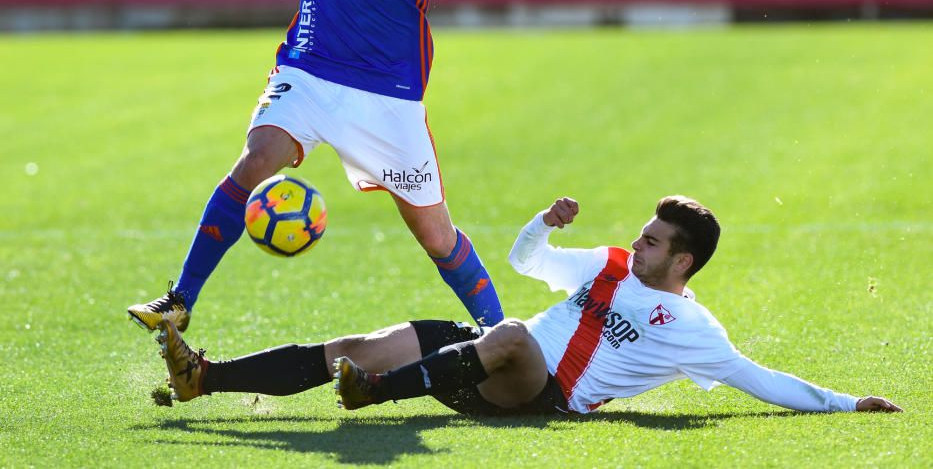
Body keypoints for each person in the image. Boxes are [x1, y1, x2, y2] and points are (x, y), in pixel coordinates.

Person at [128, 0, 503, 334]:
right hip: (309, 69)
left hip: (386, 94)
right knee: (254, 161)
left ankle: (506, 339)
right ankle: (179, 299)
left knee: (435, 236)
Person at [153, 196, 901, 416]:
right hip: (491, 352)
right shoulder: (607, 264)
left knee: (507, 334)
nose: (633, 245)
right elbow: (526, 262)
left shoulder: (688, 326)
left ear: (682, 262)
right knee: (357, 343)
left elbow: (753, 377)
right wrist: (544, 226)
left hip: (540, 391)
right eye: (638, 234)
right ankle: (203, 379)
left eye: (650, 242)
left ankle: (373, 396)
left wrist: (843, 405)